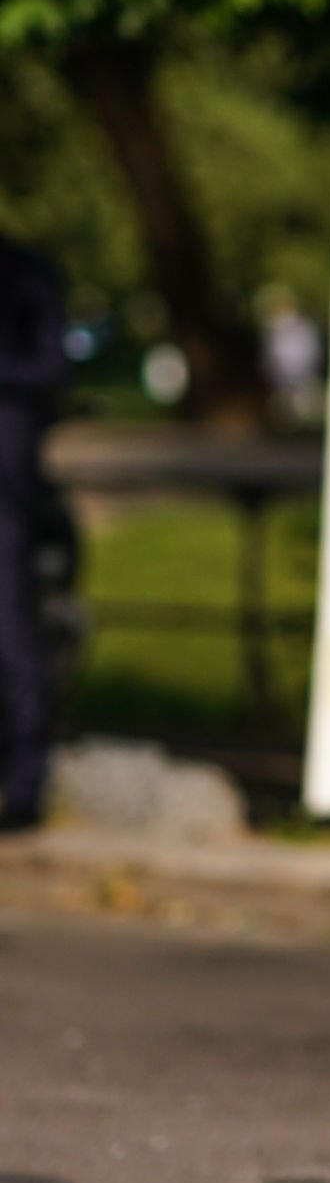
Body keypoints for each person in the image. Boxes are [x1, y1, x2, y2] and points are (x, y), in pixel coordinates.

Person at [0, 234, 68, 832]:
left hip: (6, 483)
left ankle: (24, 784)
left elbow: (50, 366)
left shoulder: (25, 272)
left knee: (11, 627)